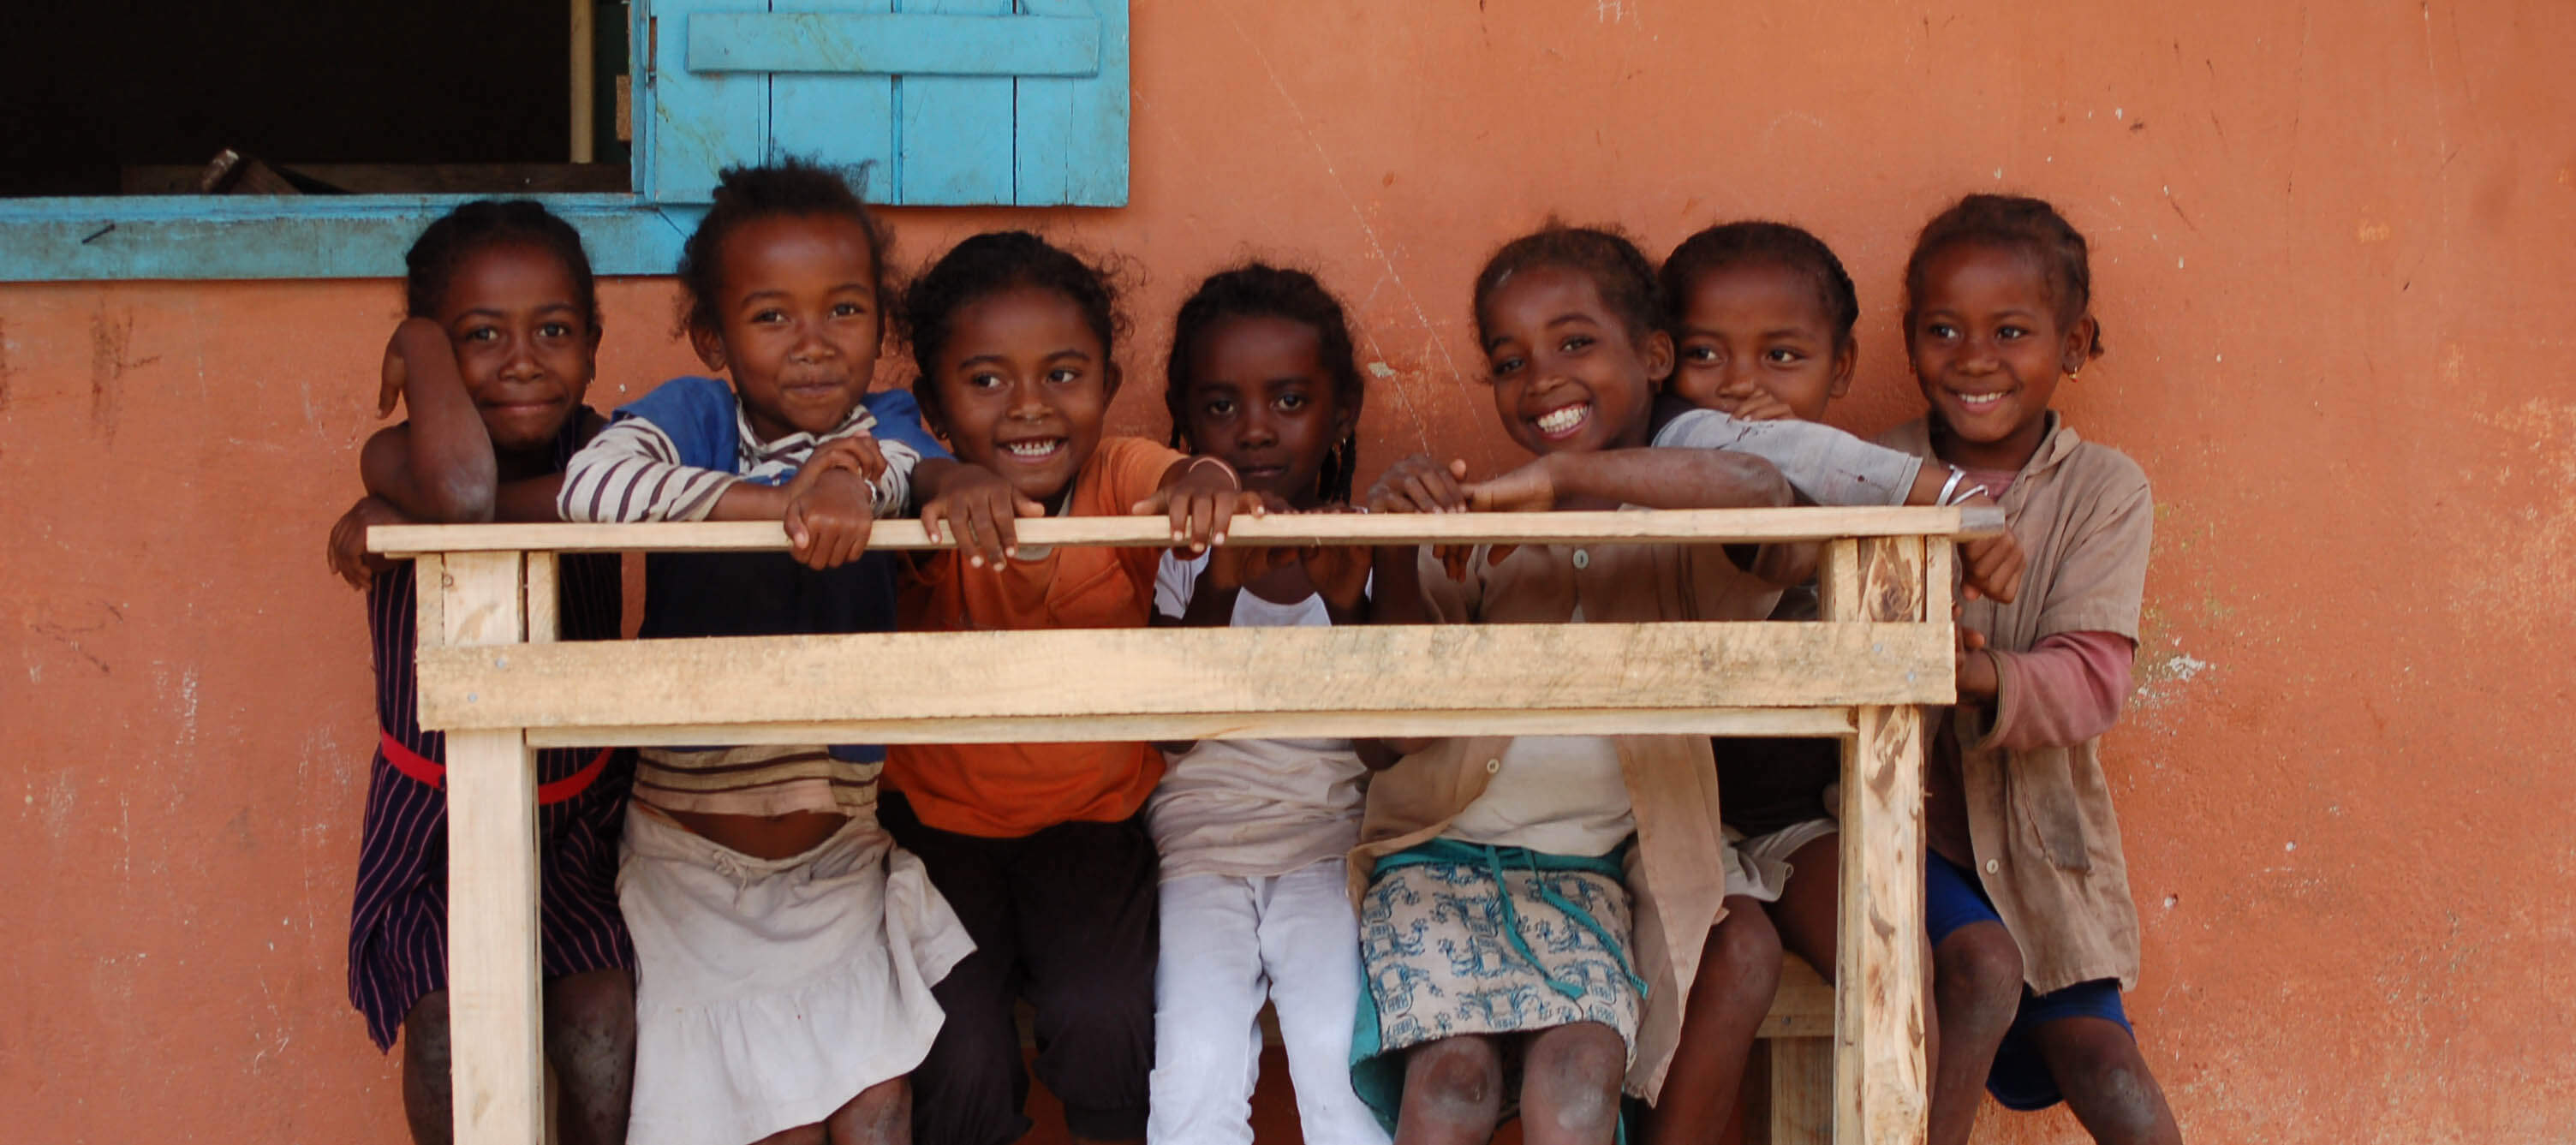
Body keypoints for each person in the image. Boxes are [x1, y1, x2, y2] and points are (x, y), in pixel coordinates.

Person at [558, 158, 1014, 1145]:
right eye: (771, 318)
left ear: (880, 325)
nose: (814, 345)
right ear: (714, 336)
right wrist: (777, 506)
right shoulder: (692, 417)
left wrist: (946, 477)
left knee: (876, 1108)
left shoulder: (882, 429)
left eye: (844, 310)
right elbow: (591, 486)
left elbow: (896, 474)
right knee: (770, 1132)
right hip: (686, 871)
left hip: (835, 865)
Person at [1350, 223, 1810, 1145]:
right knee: (1449, 1083)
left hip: (1587, 874)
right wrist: (1393, 551)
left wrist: (1562, 477)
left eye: (1573, 342)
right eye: (1509, 359)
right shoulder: (1473, 530)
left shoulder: (1684, 541)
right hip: (1435, 859)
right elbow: (1389, 731)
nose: (1540, 376)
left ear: (1653, 356)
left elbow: (1764, 491)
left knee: (1577, 1083)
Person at [880, 230, 1261, 1145]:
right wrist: (939, 485)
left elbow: (1183, 474)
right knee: (959, 1053)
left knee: (1104, 1022)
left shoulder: (1115, 470)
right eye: (986, 381)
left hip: (1093, 822)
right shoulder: (929, 497)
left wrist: (1205, 481)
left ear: (1107, 381)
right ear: (933, 404)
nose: (1028, 408)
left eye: (1062, 374)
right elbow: (881, 483)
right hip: (936, 831)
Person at [328, 199, 637, 1145]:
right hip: (437, 825)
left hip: (575, 814)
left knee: (599, 1015)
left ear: (592, 342)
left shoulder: (611, 452)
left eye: (552, 330)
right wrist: (415, 342)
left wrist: (407, 519)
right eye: (475, 335)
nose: (520, 359)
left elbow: (480, 506)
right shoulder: (400, 463)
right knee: (447, 1026)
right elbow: (462, 495)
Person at [1887, 194, 2181, 1145]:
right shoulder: (1871, 470)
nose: (1972, 357)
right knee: (1977, 971)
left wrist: (1981, 678)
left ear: (2073, 342)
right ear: (1906, 340)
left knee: (2106, 1066)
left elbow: (2092, 679)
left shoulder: (2104, 490)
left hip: (2043, 845)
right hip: (1906, 829)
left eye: (2009, 331)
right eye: (1942, 330)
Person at [1144, 263, 1388, 1145]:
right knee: (1196, 1065)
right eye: (1220, 406)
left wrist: (1347, 604)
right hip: (1199, 852)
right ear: (1182, 417)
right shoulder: (1172, 551)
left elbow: (1387, 744)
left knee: (1338, 1057)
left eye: (1288, 401)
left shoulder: (1364, 545)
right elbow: (1167, 730)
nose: (1253, 429)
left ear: (1342, 414)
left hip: (1329, 851)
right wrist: (1215, 586)